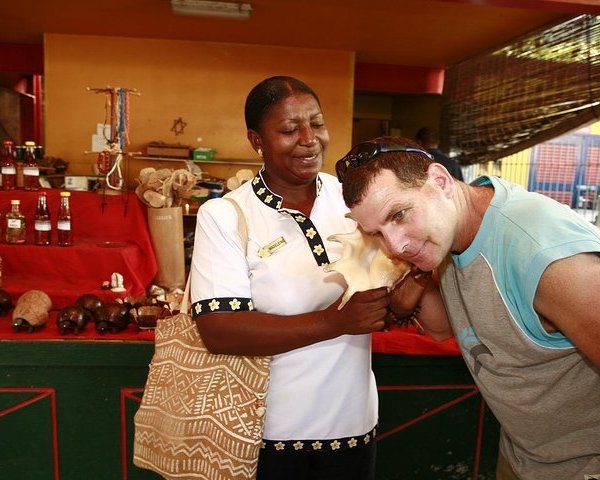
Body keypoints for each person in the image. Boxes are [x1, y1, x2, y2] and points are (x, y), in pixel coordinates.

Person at [336, 135, 600, 480]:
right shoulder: (449, 229)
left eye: (399, 215)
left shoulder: (548, 258)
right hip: (523, 456)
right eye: (377, 233)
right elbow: (446, 327)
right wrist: (413, 274)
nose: (395, 244)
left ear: (441, 181)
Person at [190, 76, 389, 480]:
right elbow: (218, 330)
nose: (309, 139)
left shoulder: (353, 198)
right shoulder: (227, 215)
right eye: (288, 129)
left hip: (351, 425)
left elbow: (393, 284)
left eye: (316, 123)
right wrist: (337, 322)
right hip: (265, 435)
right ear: (256, 140)